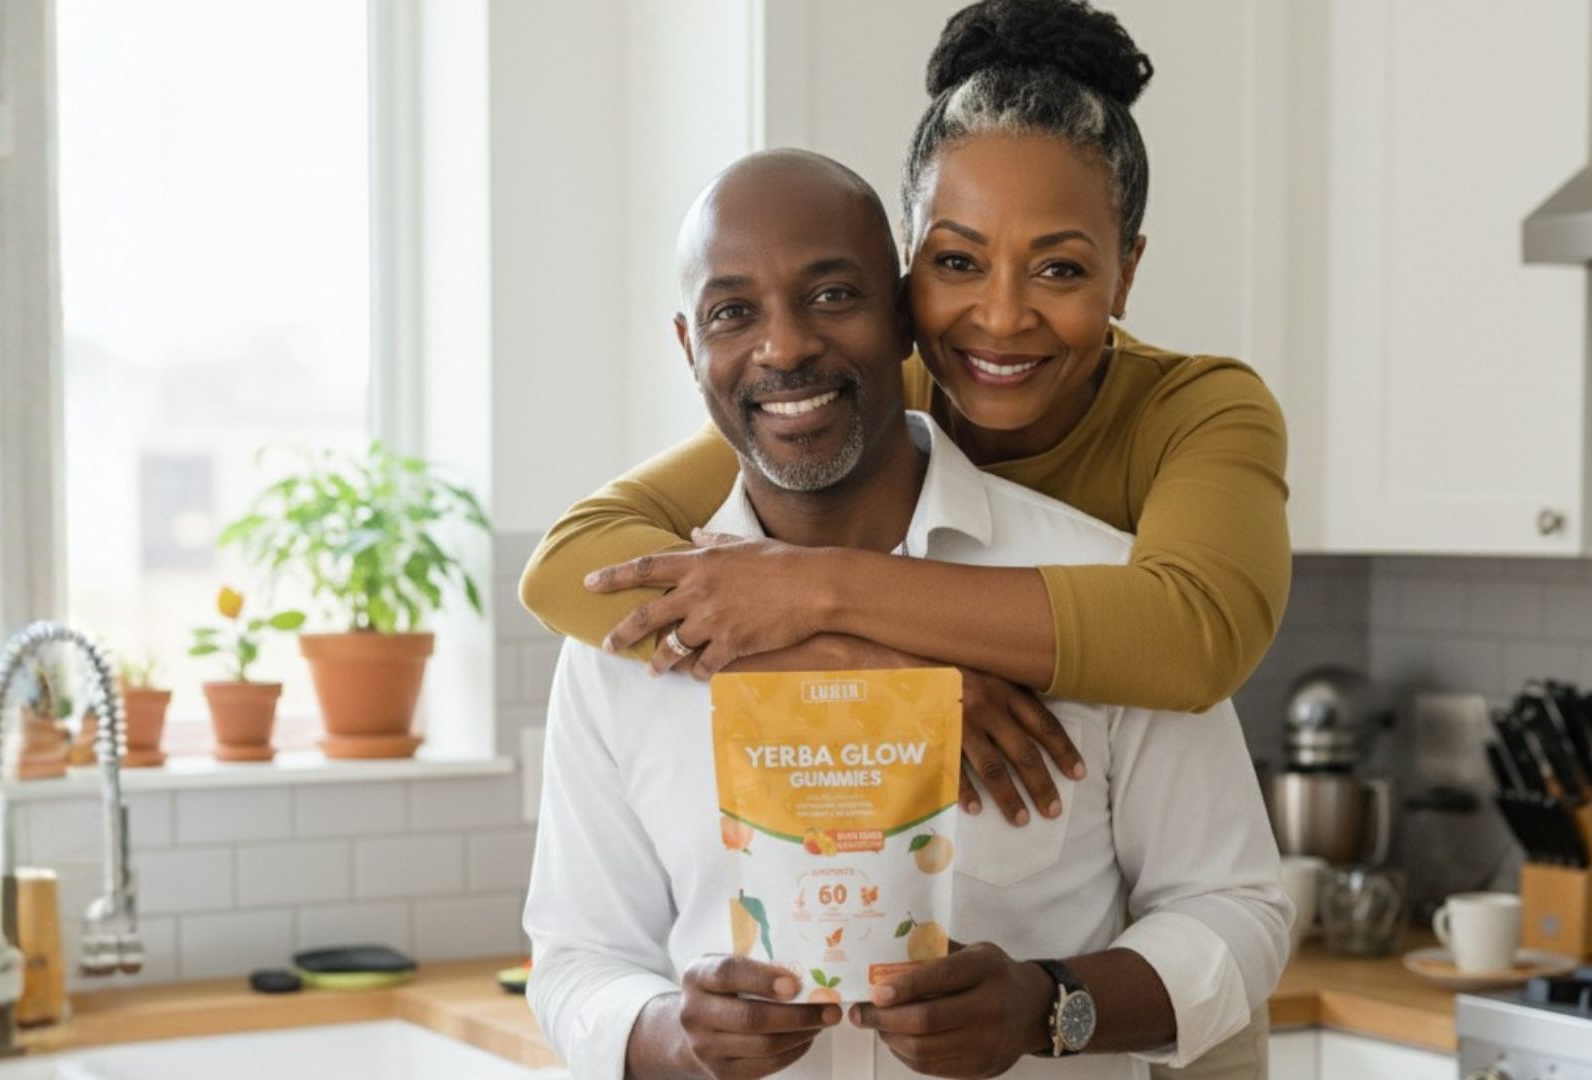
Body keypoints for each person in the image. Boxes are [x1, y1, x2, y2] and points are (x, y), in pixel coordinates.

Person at [523, 149, 1289, 1080]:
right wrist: (669, 1039)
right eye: (733, 313)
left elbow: (1238, 909)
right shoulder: (635, 622)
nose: (784, 346)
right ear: (691, 348)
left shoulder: (1102, 587)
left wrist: (1047, 1006)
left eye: (831, 295)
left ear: (903, 320)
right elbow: (576, 960)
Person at [517, 0, 1292, 830]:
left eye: (1059, 270)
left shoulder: (1199, 411)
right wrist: (878, 675)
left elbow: (1193, 634)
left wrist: (817, 589)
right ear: (905, 262)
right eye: (957, 261)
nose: (1000, 318)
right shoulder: (876, 387)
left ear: (1126, 273)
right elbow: (570, 564)